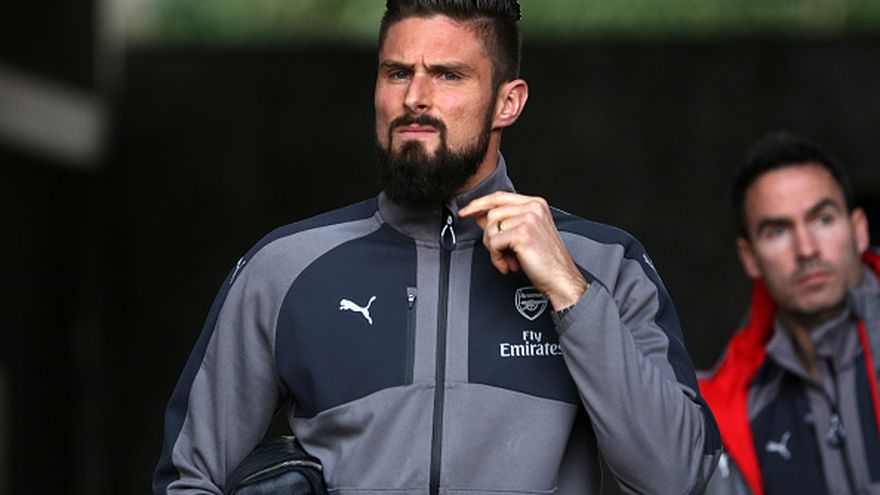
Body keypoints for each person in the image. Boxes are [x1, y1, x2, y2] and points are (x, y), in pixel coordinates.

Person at [154, 1, 720, 493]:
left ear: (507, 102)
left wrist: (570, 291)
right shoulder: (284, 269)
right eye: (397, 73)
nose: (415, 98)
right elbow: (188, 478)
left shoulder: (607, 265)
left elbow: (677, 477)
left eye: (448, 75)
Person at [700, 131, 880, 494]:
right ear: (750, 257)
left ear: (859, 230)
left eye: (823, 219)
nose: (806, 248)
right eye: (777, 231)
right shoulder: (736, 409)